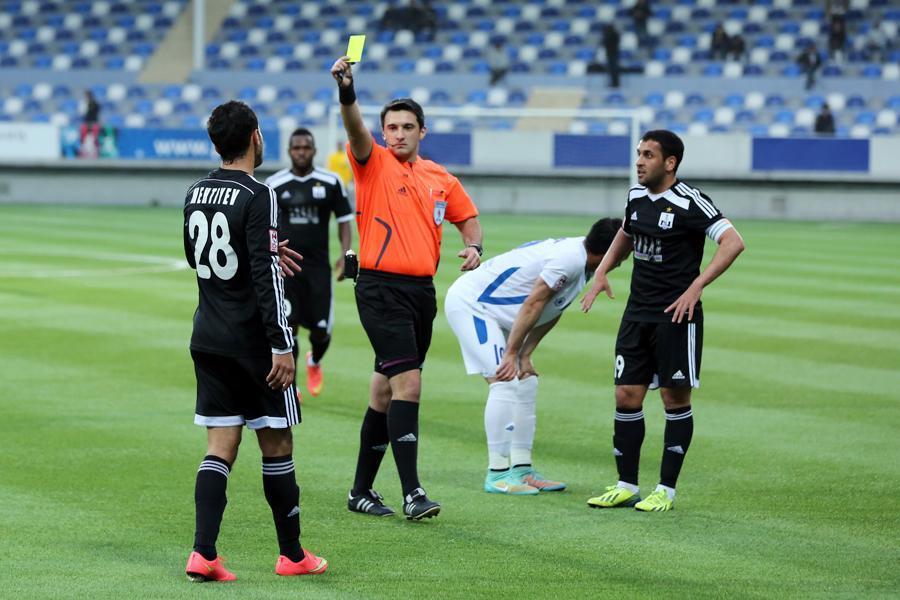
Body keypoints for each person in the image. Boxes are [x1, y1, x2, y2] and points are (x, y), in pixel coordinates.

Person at [330, 55, 483, 521]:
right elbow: (354, 127)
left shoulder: (440, 177)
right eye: (391, 127)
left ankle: (360, 491)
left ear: (422, 132)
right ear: (382, 132)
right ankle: (413, 492)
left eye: (407, 127)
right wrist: (347, 91)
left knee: (384, 392)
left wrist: (474, 247)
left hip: (420, 294)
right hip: (380, 290)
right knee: (409, 384)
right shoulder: (371, 162)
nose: (398, 134)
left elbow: (468, 218)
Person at [182, 100, 327, 581]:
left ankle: (203, 553)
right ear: (255, 137)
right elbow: (266, 281)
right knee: (277, 441)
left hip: (208, 335)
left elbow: (198, 258)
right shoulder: (259, 192)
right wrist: (283, 345)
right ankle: (292, 555)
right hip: (253, 343)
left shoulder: (196, 191)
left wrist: (259, 249)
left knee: (220, 445)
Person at [581, 130, 745, 512]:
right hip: (637, 313)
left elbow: (733, 242)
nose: (639, 161)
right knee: (625, 395)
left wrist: (697, 287)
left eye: (648, 155)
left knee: (674, 399)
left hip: (676, 316)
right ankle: (626, 485)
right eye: (639, 153)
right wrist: (603, 270)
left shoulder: (690, 201)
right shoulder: (636, 197)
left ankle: (665, 491)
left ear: (670, 163)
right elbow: (626, 233)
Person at [445, 219, 622, 495]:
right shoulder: (569, 260)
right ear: (608, 252)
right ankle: (497, 474)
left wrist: (525, 354)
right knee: (504, 381)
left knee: (526, 380)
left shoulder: (586, 263)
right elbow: (534, 303)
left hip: (501, 314)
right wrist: (511, 354)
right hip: (473, 305)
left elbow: (553, 307)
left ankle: (522, 470)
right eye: (622, 251)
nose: (623, 259)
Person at [266, 128, 353, 398]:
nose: (301, 152)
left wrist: (345, 253)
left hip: (318, 270)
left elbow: (344, 220)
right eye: (296, 148)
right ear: (289, 151)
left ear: (314, 151)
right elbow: (265, 226)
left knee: (321, 331)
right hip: (286, 270)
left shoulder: (330, 181)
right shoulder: (274, 184)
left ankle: (314, 361)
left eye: (306, 147)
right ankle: (291, 387)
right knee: (288, 327)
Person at [79, 90, 100, 158]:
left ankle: (95, 152)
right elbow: (83, 113)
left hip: (93, 123)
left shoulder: (95, 104)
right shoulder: (84, 104)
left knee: (95, 138)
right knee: (84, 137)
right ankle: (84, 152)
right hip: (87, 123)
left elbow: (94, 113)